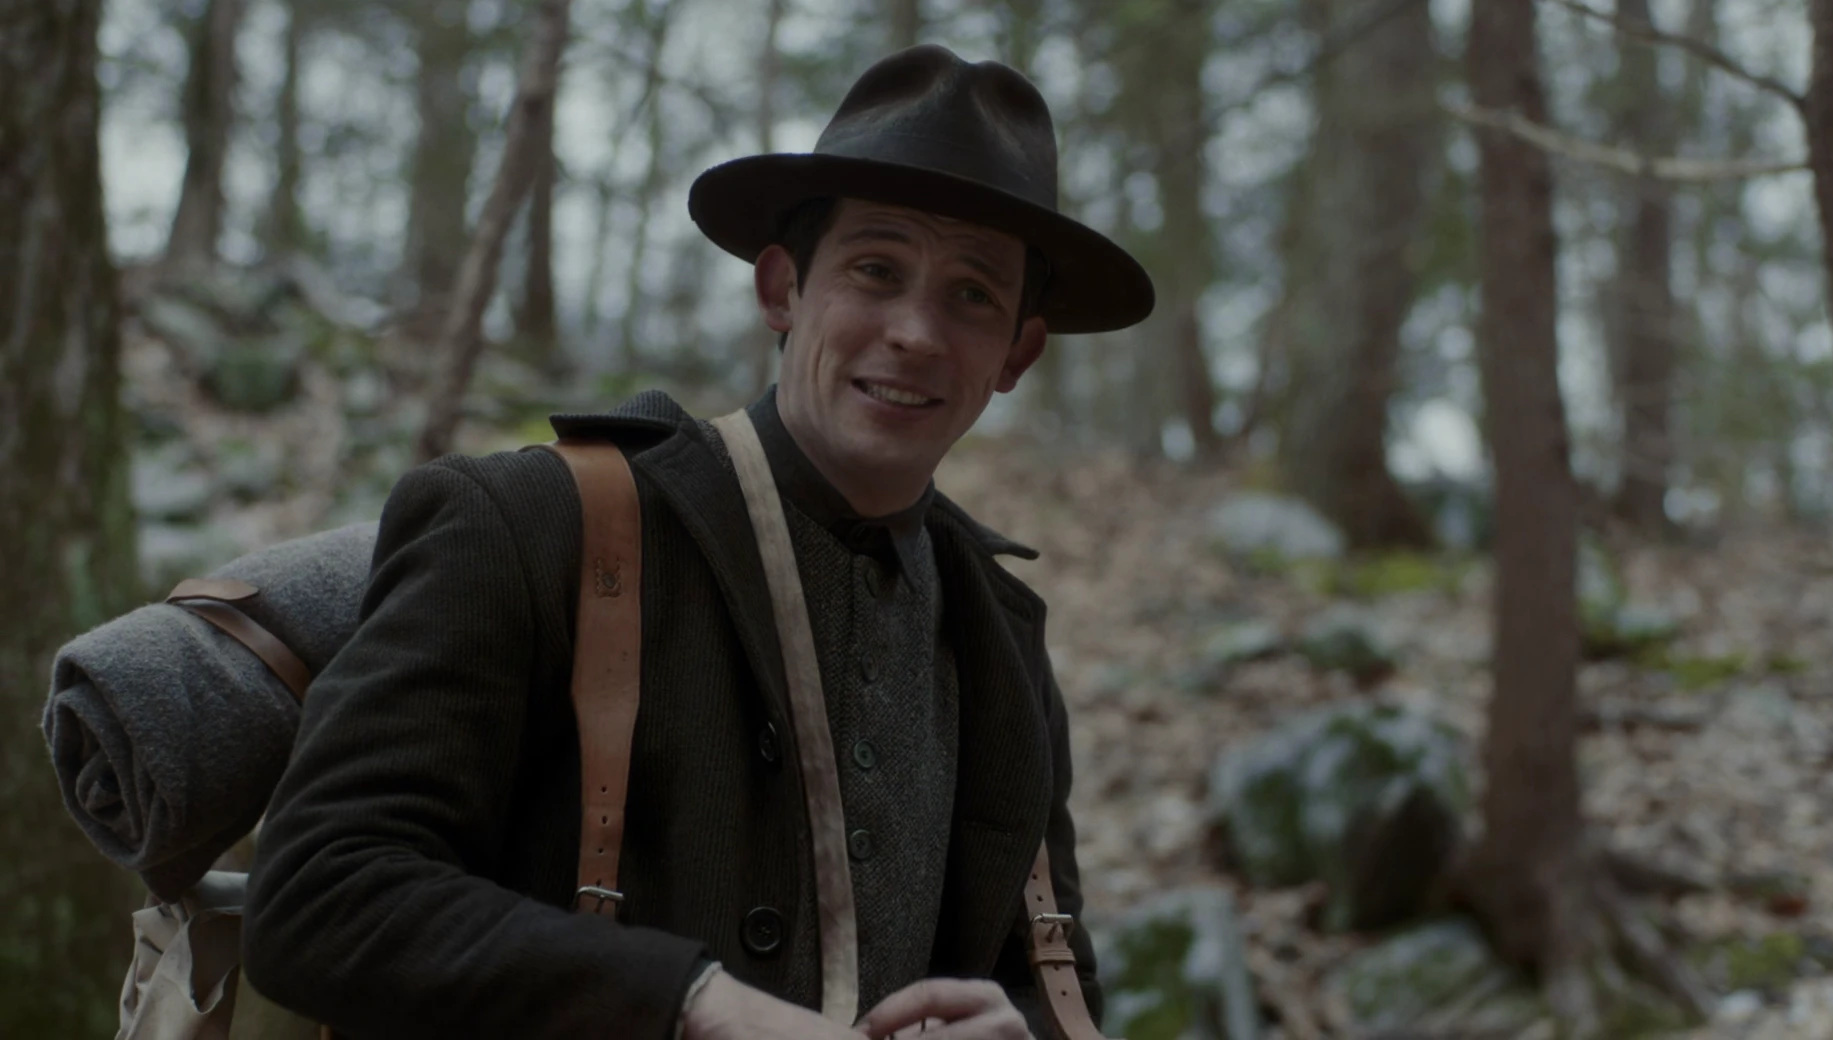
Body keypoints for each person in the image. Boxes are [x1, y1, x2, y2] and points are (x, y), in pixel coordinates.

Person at [242, 43, 1154, 1040]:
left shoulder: (1002, 634)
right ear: (781, 289)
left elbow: (1058, 985)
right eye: (875, 269)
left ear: (1018, 351)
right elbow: (318, 893)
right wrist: (690, 1003)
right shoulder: (536, 523)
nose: (917, 332)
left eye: (973, 294)